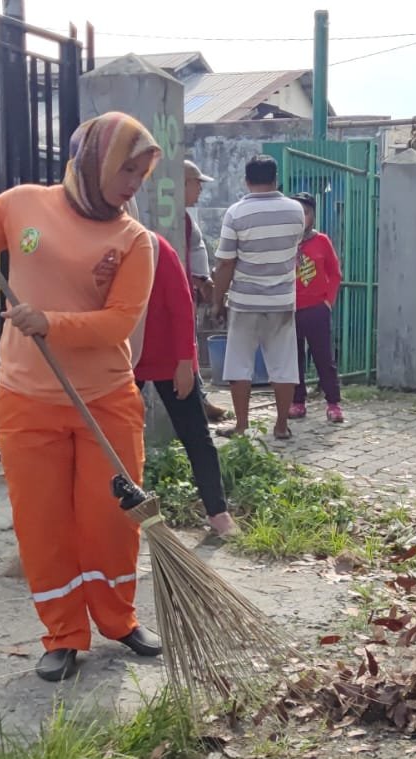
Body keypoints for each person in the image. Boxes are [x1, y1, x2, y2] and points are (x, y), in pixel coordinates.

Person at [0, 112, 164, 683]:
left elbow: (118, 323)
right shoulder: (22, 204)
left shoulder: (134, 240)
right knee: (42, 524)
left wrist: (51, 323)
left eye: (142, 173)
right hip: (26, 398)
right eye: (127, 169)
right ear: (92, 160)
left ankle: (118, 619)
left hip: (105, 399)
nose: (133, 183)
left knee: (112, 521)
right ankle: (63, 633)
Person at [126, 232, 238, 538]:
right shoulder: (96, 250)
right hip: (118, 357)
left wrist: (185, 361)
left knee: (195, 434)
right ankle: (119, 513)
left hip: (166, 356)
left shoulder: (154, 247)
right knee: (117, 439)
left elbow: (180, 303)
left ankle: (217, 511)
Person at [211, 155, 306, 440]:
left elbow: (225, 263)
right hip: (282, 301)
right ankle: (281, 426)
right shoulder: (296, 211)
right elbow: (293, 251)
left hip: (245, 301)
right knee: (284, 364)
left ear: (246, 180)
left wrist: (218, 301)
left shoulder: (236, 213)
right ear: (276, 178)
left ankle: (241, 425)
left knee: (239, 363)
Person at [290, 192, 345, 424]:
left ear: (313, 216)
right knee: (293, 358)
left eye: (306, 212)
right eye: (298, 212)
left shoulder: (321, 241)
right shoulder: (285, 241)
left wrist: (327, 301)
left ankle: (333, 403)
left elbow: (335, 273)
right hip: (290, 309)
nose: (302, 217)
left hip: (316, 309)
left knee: (323, 357)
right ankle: (297, 401)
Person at [183, 159, 228, 423]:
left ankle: (200, 398)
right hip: (187, 290)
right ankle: (197, 402)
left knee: (190, 347)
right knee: (186, 349)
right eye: (197, 183)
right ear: (185, 183)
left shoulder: (186, 218)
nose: (200, 190)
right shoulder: (178, 219)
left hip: (192, 289)